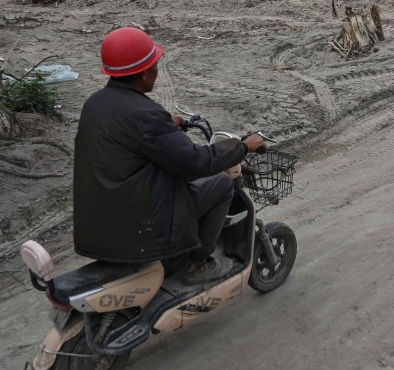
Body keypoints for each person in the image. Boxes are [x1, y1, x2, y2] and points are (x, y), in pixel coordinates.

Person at [72, 27, 265, 285]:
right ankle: (198, 264)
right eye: (154, 66)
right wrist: (242, 146)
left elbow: (131, 140)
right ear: (142, 73)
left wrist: (166, 126)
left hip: (102, 221)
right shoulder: (146, 115)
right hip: (139, 225)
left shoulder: (94, 104)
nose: (156, 72)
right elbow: (198, 162)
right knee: (219, 183)